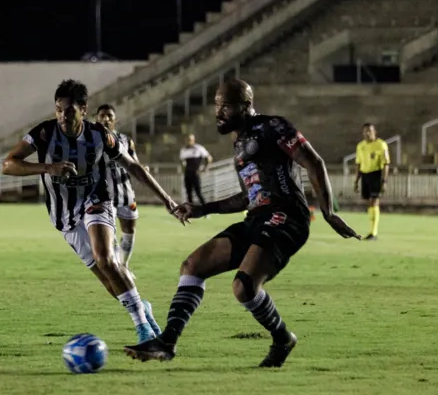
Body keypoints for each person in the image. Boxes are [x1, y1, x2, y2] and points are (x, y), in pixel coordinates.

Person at [124, 79, 360, 367]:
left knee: (243, 286)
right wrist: (203, 208)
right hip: (258, 217)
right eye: (216, 105)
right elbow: (248, 198)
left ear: (246, 106)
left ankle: (282, 338)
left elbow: (314, 162)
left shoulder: (273, 127)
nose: (219, 112)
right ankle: (167, 343)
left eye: (226, 105)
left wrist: (328, 211)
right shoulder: (239, 144)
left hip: (287, 217)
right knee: (192, 266)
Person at [2, 79, 180, 344]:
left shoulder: (99, 135)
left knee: (106, 258)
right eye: (59, 110)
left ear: (83, 109)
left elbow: (133, 166)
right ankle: (143, 309)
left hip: (96, 200)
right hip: (64, 215)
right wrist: (48, 168)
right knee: (109, 280)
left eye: (69, 110)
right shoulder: (43, 133)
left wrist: (166, 199)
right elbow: (8, 164)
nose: (63, 116)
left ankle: (143, 329)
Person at [95, 104, 139, 279]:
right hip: (104, 196)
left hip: (125, 193)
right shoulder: (92, 140)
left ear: (115, 120)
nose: (106, 119)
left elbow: (135, 163)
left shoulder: (125, 140)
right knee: (110, 234)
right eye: (102, 115)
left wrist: (143, 168)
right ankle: (116, 269)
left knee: (129, 230)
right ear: (97, 118)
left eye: (109, 116)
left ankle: (124, 265)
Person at [354, 123, 390, 240]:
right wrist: (356, 181)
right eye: (365, 131)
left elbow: (386, 163)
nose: (367, 133)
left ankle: (374, 232)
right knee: (369, 202)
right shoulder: (360, 146)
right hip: (365, 175)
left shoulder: (381, 145)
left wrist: (384, 180)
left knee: (374, 201)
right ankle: (372, 231)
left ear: (375, 132)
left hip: (376, 174)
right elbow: (358, 164)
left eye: (369, 131)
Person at [179, 134, 212, 207]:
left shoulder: (198, 148)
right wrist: (183, 169)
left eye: (190, 140)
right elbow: (181, 161)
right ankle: (191, 211)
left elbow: (209, 158)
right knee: (188, 193)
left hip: (195, 173)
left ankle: (206, 210)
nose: (188, 141)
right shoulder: (183, 149)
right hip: (187, 173)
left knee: (198, 193)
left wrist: (205, 168)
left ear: (193, 140)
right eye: (187, 140)